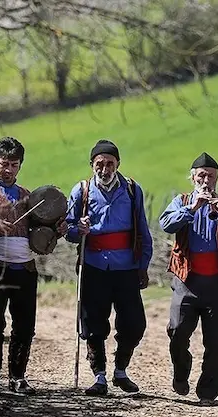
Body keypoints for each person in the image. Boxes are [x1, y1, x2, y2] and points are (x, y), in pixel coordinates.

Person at [0, 136, 67, 395]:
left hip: (25, 269)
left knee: (24, 325)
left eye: (14, 164)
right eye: (4, 163)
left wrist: (58, 229)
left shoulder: (28, 197)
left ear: (20, 166)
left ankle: (18, 378)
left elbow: (40, 231)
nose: (8, 169)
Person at [159, 152, 218, 404]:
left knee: (217, 341)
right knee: (177, 331)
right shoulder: (182, 201)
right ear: (193, 178)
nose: (206, 181)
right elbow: (166, 224)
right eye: (201, 176)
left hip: (217, 284)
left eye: (211, 176)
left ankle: (208, 392)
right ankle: (181, 371)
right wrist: (192, 208)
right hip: (186, 282)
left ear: (217, 179)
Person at [65, 139, 153, 396]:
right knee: (93, 323)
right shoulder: (80, 191)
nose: (104, 169)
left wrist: (143, 265)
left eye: (110, 164)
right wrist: (76, 229)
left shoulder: (132, 190)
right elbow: (66, 230)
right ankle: (99, 376)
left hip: (126, 267)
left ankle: (121, 370)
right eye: (99, 164)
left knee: (135, 323)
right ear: (91, 165)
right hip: (93, 266)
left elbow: (143, 231)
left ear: (118, 164)